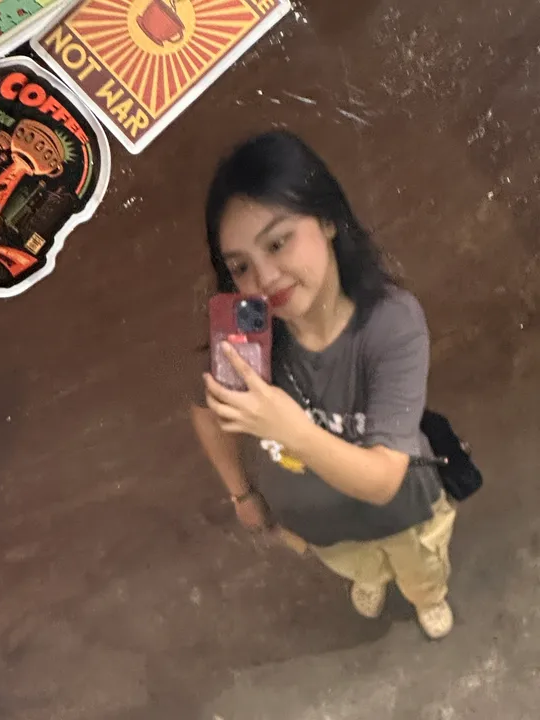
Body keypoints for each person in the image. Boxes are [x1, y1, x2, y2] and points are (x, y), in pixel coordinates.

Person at [190, 131, 457, 640]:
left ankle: (429, 598)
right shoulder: (248, 336)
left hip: (403, 514)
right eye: (240, 266)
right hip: (320, 527)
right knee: (358, 566)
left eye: (278, 242)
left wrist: (290, 430)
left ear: (329, 220)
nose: (264, 278)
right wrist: (241, 493)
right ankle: (371, 578)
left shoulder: (391, 323)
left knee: (420, 570)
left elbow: (384, 481)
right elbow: (208, 411)